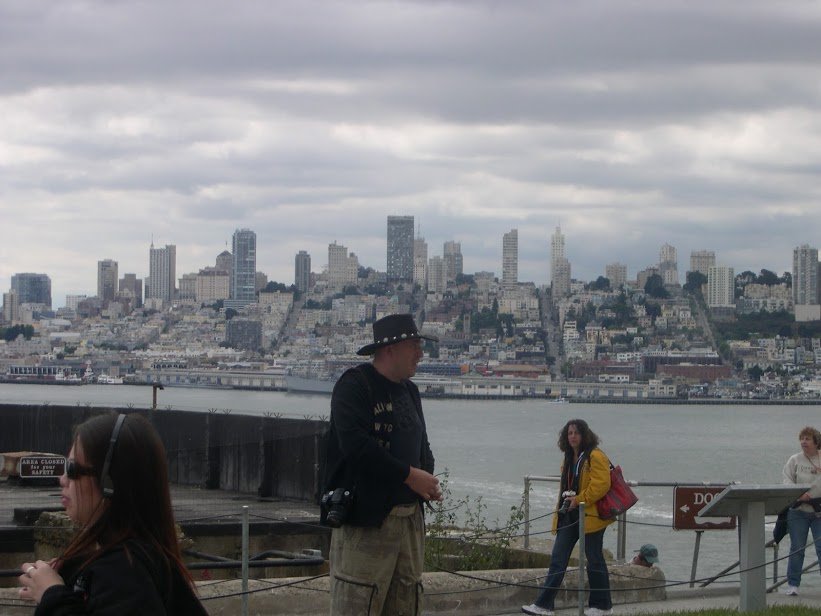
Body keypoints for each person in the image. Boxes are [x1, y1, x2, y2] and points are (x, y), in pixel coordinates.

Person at [18, 413, 207, 615]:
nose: (62, 479)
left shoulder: (124, 572)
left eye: (72, 469)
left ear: (109, 483)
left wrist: (52, 594)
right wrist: (71, 574)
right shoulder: (134, 561)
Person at [323, 313, 441, 615]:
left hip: (409, 521)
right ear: (390, 349)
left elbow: (421, 445)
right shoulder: (355, 386)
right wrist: (410, 476)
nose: (420, 353)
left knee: (407, 602)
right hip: (367, 522)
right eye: (414, 345)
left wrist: (426, 480)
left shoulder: (410, 391)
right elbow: (357, 447)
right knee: (358, 603)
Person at [523, 419, 614, 616]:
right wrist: (566, 506)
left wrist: (579, 499)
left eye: (576, 433)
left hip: (590, 515)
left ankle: (602, 606)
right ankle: (544, 605)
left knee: (594, 558)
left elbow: (601, 485)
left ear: (585, 435)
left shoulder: (595, 456)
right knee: (558, 559)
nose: (572, 436)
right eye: (569, 433)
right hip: (569, 514)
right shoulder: (568, 458)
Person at [780, 425, 821, 596]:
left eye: (807, 439)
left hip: (819, 511)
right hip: (798, 511)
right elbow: (786, 479)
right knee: (797, 548)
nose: (804, 442)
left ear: (816, 442)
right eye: (802, 439)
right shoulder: (794, 460)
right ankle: (793, 585)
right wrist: (798, 494)